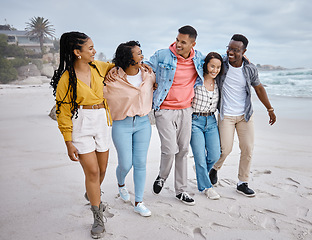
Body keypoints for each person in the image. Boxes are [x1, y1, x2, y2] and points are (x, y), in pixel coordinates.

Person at [50, 31, 114, 239]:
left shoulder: (99, 67)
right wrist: (68, 142)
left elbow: (119, 66)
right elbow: (63, 113)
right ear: (77, 52)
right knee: (93, 172)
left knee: (102, 169)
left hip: (102, 121)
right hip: (81, 125)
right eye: (90, 48)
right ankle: (97, 216)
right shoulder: (66, 79)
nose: (94, 51)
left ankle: (92, 192)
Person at [209, 34, 276, 197]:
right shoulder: (222, 64)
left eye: (236, 50)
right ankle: (214, 169)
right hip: (227, 115)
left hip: (245, 115)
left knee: (247, 148)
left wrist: (270, 109)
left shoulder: (250, 69)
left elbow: (259, 89)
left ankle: (242, 182)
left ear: (244, 51)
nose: (231, 52)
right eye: (229, 48)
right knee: (225, 149)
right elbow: (207, 62)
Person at [145, 25, 204, 205]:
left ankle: (181, 190)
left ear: (192, 43)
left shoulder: (199, 57)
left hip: (187, 109)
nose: (178, 44)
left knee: (183, 150)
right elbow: (145, 68)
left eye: (183, 42)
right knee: (170, 149)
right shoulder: (163, 55)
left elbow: (216, 62)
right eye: (177, 40)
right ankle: (162, 176)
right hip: (164, 109)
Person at [103, 41, 155, 217]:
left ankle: (139, 202)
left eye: (141, 52)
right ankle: (121, 183)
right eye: (138, 53)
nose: (142, 56)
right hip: (122, 124)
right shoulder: (112, 79)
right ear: (128, 58)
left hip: (143, 123)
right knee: (126, 163)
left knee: (140, 163)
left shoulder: (148, 75)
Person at [190, 52, 223, 200]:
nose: (215, 70)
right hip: (195, 121)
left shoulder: (219, 82)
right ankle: (207, 187)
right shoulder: (196, 79)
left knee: (215, 154)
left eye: (218, 67)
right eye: (212, 66)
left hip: (211, 121)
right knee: (200, 157)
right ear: (205, 65)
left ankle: (200, 171)